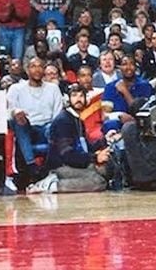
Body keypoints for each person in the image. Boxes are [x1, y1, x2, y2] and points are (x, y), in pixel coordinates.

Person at [6, 56, 64, 191]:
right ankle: (32, 166)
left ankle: (48, 170)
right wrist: (15, 112)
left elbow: (58, 114)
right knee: (19, 121)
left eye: (40, 66)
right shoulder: (16, 88)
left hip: (47, 127)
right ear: (27, 70)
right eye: (33, 66)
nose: (37, 69)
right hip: (28, 127)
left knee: (55, 126)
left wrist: (54, 126)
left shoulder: (53, 88)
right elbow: (7, 111)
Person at [39, 83, 110, 193]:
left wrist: (106, 140)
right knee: (98, 181)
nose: (78, 99)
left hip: (75, 163)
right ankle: (51, 185)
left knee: (105, 172)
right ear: (67, 99)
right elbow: (67, 155)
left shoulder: (78, 120)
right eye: (74, 95)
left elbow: (85, 147)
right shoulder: (63, 120)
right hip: (60, 167)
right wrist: (95, 158)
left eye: (81, 96)